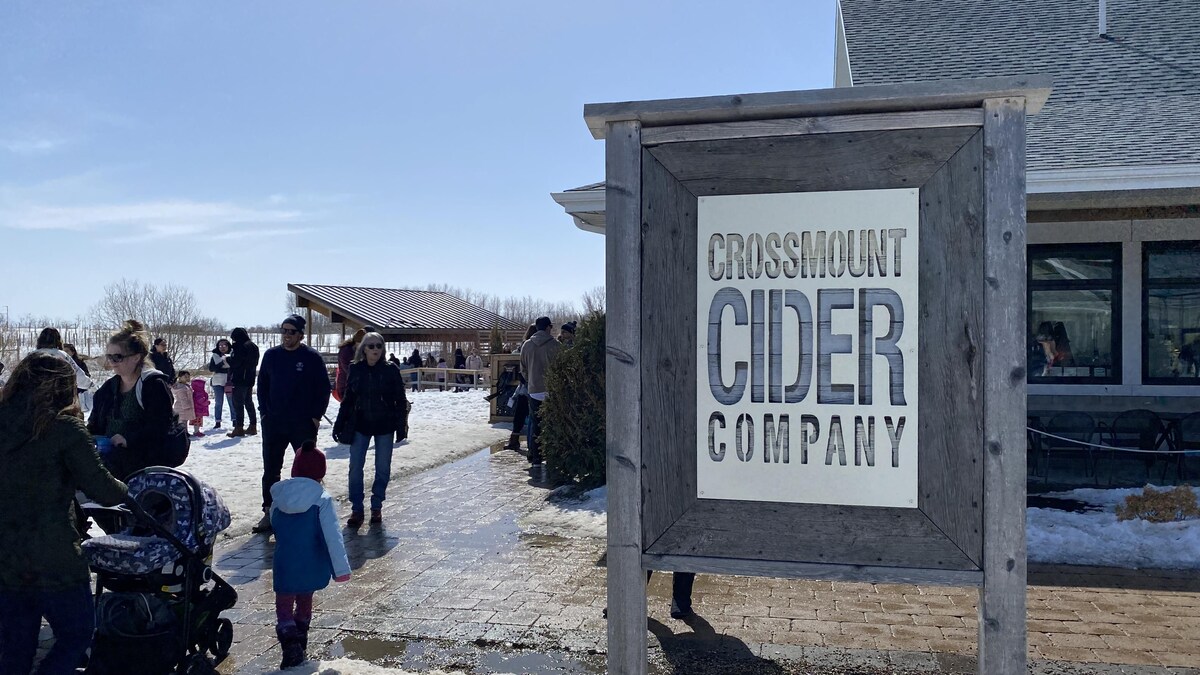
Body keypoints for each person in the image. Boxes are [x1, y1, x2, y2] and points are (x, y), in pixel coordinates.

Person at [0, 352, 128, 675]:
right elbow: (103, 490)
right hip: (54, 557)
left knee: (15, 646)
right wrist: (130, 490)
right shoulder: (65, 429)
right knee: (77, 633)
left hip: (7, 557)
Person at [269, 442, 351, 669]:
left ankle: (290, 645)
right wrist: (341, 570)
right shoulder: (321, 500)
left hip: (284, 564)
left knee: (283, 607)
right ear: (320, 474)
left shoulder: (278, 498)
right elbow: (332, 536)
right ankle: (300, 642)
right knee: (304, 602)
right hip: (311, 564)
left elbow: (275, 525)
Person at [253, 314, 332, 534]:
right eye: (284, 331)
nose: (287, 336)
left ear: (300, 334)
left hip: (302, 423)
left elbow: (323, 389)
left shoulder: (311, 358)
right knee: (271, 469)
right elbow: (262, 387)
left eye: (291, 332)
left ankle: (309, 511)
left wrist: (316, 417)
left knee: (306, 469)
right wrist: (264, 414)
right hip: (275, 423)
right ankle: (268, 512)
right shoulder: (271, 356)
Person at [332, 332, 409, 527]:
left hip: (385, 424)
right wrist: (340, 423)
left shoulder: (390, 370)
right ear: (363, 349)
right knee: (355, 467)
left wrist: (401, 425)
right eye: (371, 346)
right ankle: (357, 508)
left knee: (383, 467)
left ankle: (377, 505)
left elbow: (400, 399)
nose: (375, 350)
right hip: (361, 423)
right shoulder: (356, 369)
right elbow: (348, 399)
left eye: (379, 346)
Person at [87, 320, 178, 479]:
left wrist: (129, 439)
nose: (111, 363)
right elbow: (95, 424)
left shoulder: (153, 385)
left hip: (143, 467)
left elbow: (160, 427)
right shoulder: (108, 388)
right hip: (108, 464)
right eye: (109, 357)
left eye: (117, 357)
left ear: (136, 357)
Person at [520, 316, 562, 465]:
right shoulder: (555, 345)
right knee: (552, 423)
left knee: (535, 423)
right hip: (551, 389)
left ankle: (534, 455)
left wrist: (530, 380)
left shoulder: (526, 345)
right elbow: (561, 367)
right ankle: (551, 455)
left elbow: (523, 368)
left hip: (533, 389)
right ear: (548, 327)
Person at [505, 325, 538, 451]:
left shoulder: (524, 346)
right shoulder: (536, 346)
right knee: (533, 414)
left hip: (525, 383)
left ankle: (515, 438)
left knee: (520, 412)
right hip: (535, 383)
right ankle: (533, 443)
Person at [34, 327, 92, 393]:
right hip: (56, 397)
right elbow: (77, 375)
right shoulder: (62, 355)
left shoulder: (31, 356)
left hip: (33, 397)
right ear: (58, 340)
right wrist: (90, 385)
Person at [226, 327, 260, 438]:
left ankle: (239, 427)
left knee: (238, 404)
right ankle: (253, 425)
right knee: (249, 402)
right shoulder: (253, 346)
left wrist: (227, 359)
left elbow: (236, 362)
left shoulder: (240, 347)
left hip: (240, 378)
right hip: (250, 378)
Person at [333, 328, 365, 402]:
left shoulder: (361, 351)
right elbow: (349, 370)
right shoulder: (346, 351)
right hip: (345, 386)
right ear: (356, 342)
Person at [207, 339, 233, 430]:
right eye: (220, 346)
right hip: (217, 381)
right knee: (218, 402)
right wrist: (222, 363)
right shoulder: (215, 355)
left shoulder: (232, 354)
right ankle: (217, 422)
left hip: (229, 381)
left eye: (224, 345)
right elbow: (211, 368)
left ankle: (234, 421)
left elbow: (233, 367)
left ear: (228, 346)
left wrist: (223, 366)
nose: (222, 347)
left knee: (231, 402)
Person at [63, 343, 92, 412]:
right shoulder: (61, 363)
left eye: (67, 351)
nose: (65, 353)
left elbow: (86, 376)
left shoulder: (79, 363)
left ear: (73, 352)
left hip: (79, 392)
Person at [171, 371, 199, 438]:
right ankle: (183, 433)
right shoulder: (181, 388)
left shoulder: (186, 386)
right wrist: (186, 406)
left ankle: (185, 432)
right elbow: (183, 398)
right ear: (180, 378)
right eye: (185, 377)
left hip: (184, 407)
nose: (187, 378)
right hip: (182, 407)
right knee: (183, 421)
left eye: (188, 377)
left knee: (184, 421)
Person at [191, 373, 210, 437]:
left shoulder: (197, 392)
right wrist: (206, 402)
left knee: (198, 421)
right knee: (197, 421)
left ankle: (197, 431)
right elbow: (200, 400)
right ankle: (196, 431)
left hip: (198, 410)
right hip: (198, 410)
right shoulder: (199, 393)